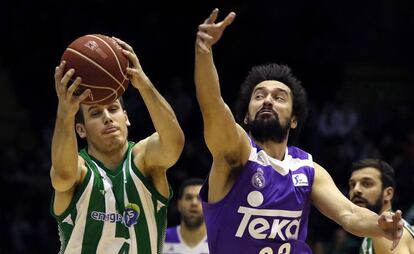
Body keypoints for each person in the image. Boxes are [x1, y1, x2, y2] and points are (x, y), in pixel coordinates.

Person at [194, 8, 404, 254]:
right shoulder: (235, 153)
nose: (268, 101)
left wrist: (380, 226)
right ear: (246, 118)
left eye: (279, 97)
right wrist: (204, 53)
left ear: (294, 120)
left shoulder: (307, 168)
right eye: (259, 95)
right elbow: (212, 107)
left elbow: (349, 214)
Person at [50, 37, 185, 254]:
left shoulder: (143, 159)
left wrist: (144, 84)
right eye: (95, 113)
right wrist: (65, 113)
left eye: (113, 110)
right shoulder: (80, 170)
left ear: (126, 117)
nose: (107, 118)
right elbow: (62, 175)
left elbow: (174, 144)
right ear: (81, 130)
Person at [349, 159, 414, 253]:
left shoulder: (387, 231)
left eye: (366, 183)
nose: (356, 190)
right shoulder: (375, 229)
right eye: (352, 184)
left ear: (388, 193)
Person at [163, 178, 209, 254]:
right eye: (188, 198)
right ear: (179, 204)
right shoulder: (161, 239)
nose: (194, 203)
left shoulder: (219, 241)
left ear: (207, 205)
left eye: (199, 198)